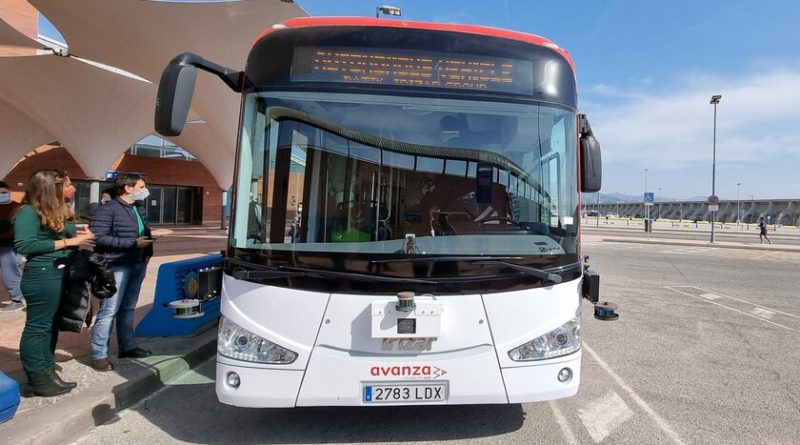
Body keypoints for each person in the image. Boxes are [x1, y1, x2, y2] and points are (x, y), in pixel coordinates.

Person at [13, 170, 95, 396]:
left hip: (60, 271)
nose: (73, 188)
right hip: (42, 274)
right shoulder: (27, 212)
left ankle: (47, 371)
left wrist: (80, 235)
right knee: (38, 326)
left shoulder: (57, 209)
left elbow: (56, 237)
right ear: (52, 187)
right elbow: (25, 245)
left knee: (50, 325)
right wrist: (73, 240)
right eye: (67, 184)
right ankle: (37, 377)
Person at [89, 173, 154, 372]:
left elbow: (145, 232)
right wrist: (131, 244)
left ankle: (128, 346)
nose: (145, 191)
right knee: (109, 310)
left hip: (137, 263)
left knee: (128, 308)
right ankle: (99, 354)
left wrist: (147, 252)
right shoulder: (108, 210)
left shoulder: (137, 208)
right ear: (128, 188)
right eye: (141, 186)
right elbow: (98, 237)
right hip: (117, 265)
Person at [0, 180, 24, 312]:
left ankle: (17, 299)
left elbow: (17, 229)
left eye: (4, 193)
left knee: (11, 273)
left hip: (9, 246)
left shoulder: (16, 208)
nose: (1, 195)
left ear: (9, 192)